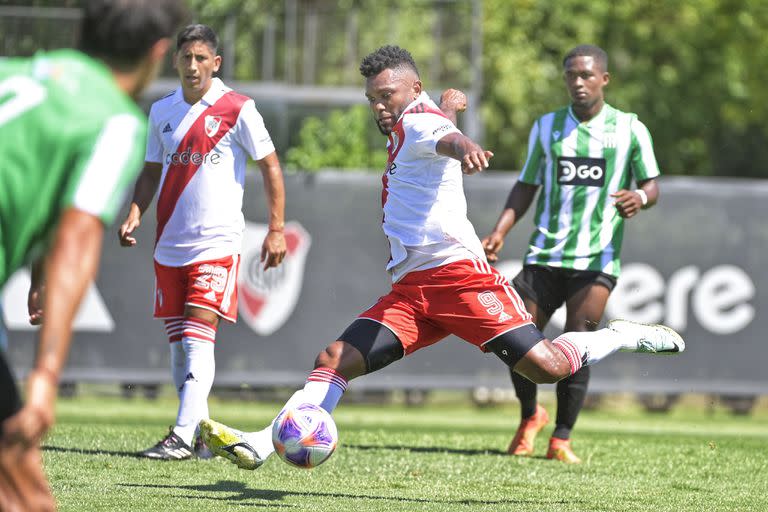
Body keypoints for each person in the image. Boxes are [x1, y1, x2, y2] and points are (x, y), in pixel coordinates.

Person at [198, 45, 683, 471]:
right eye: (372, 99)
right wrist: (451, 110)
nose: (380, 107)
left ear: (413, 89)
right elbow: (438, 126)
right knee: (334, 358)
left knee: (549, 368)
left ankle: (621, 336)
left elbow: (441, 137)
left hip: (459, 279)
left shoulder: (420, 121)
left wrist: (464, 142)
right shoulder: (422, 114)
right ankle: (264, 443)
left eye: (387, 95)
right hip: (413, 291)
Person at [0, 0, 186, 509]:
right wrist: (45, 378)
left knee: (15, 474)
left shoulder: (15, 73)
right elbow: (76, 241)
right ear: (158, 52)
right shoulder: (111, 122)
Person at [481, 44, 662, 463]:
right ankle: (530, 416)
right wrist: (500, 229)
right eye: (571, 76)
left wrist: (639, 196)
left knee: (578, 342)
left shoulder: (630, 128)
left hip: (596, 258)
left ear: (604, 79)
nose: (578, 83)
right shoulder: (547, 127)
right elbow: (527, 185)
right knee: (517, 339)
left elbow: (652, 184)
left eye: (586, 75)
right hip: (544, 253)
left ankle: (561, 438)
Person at [117, 24, 287, 460]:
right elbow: (152, 170)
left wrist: (276, 227)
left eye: (200, 58)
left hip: (217, 242)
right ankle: (200, 439)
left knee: (197, 335)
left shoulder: (237, 108)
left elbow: (270, 167)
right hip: (169, 243)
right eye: (185, 57)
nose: (192, 66)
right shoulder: (161, 111)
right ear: (175, 60)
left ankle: (180, 435)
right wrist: (137, 210)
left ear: (216, 62)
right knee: (179, 343)